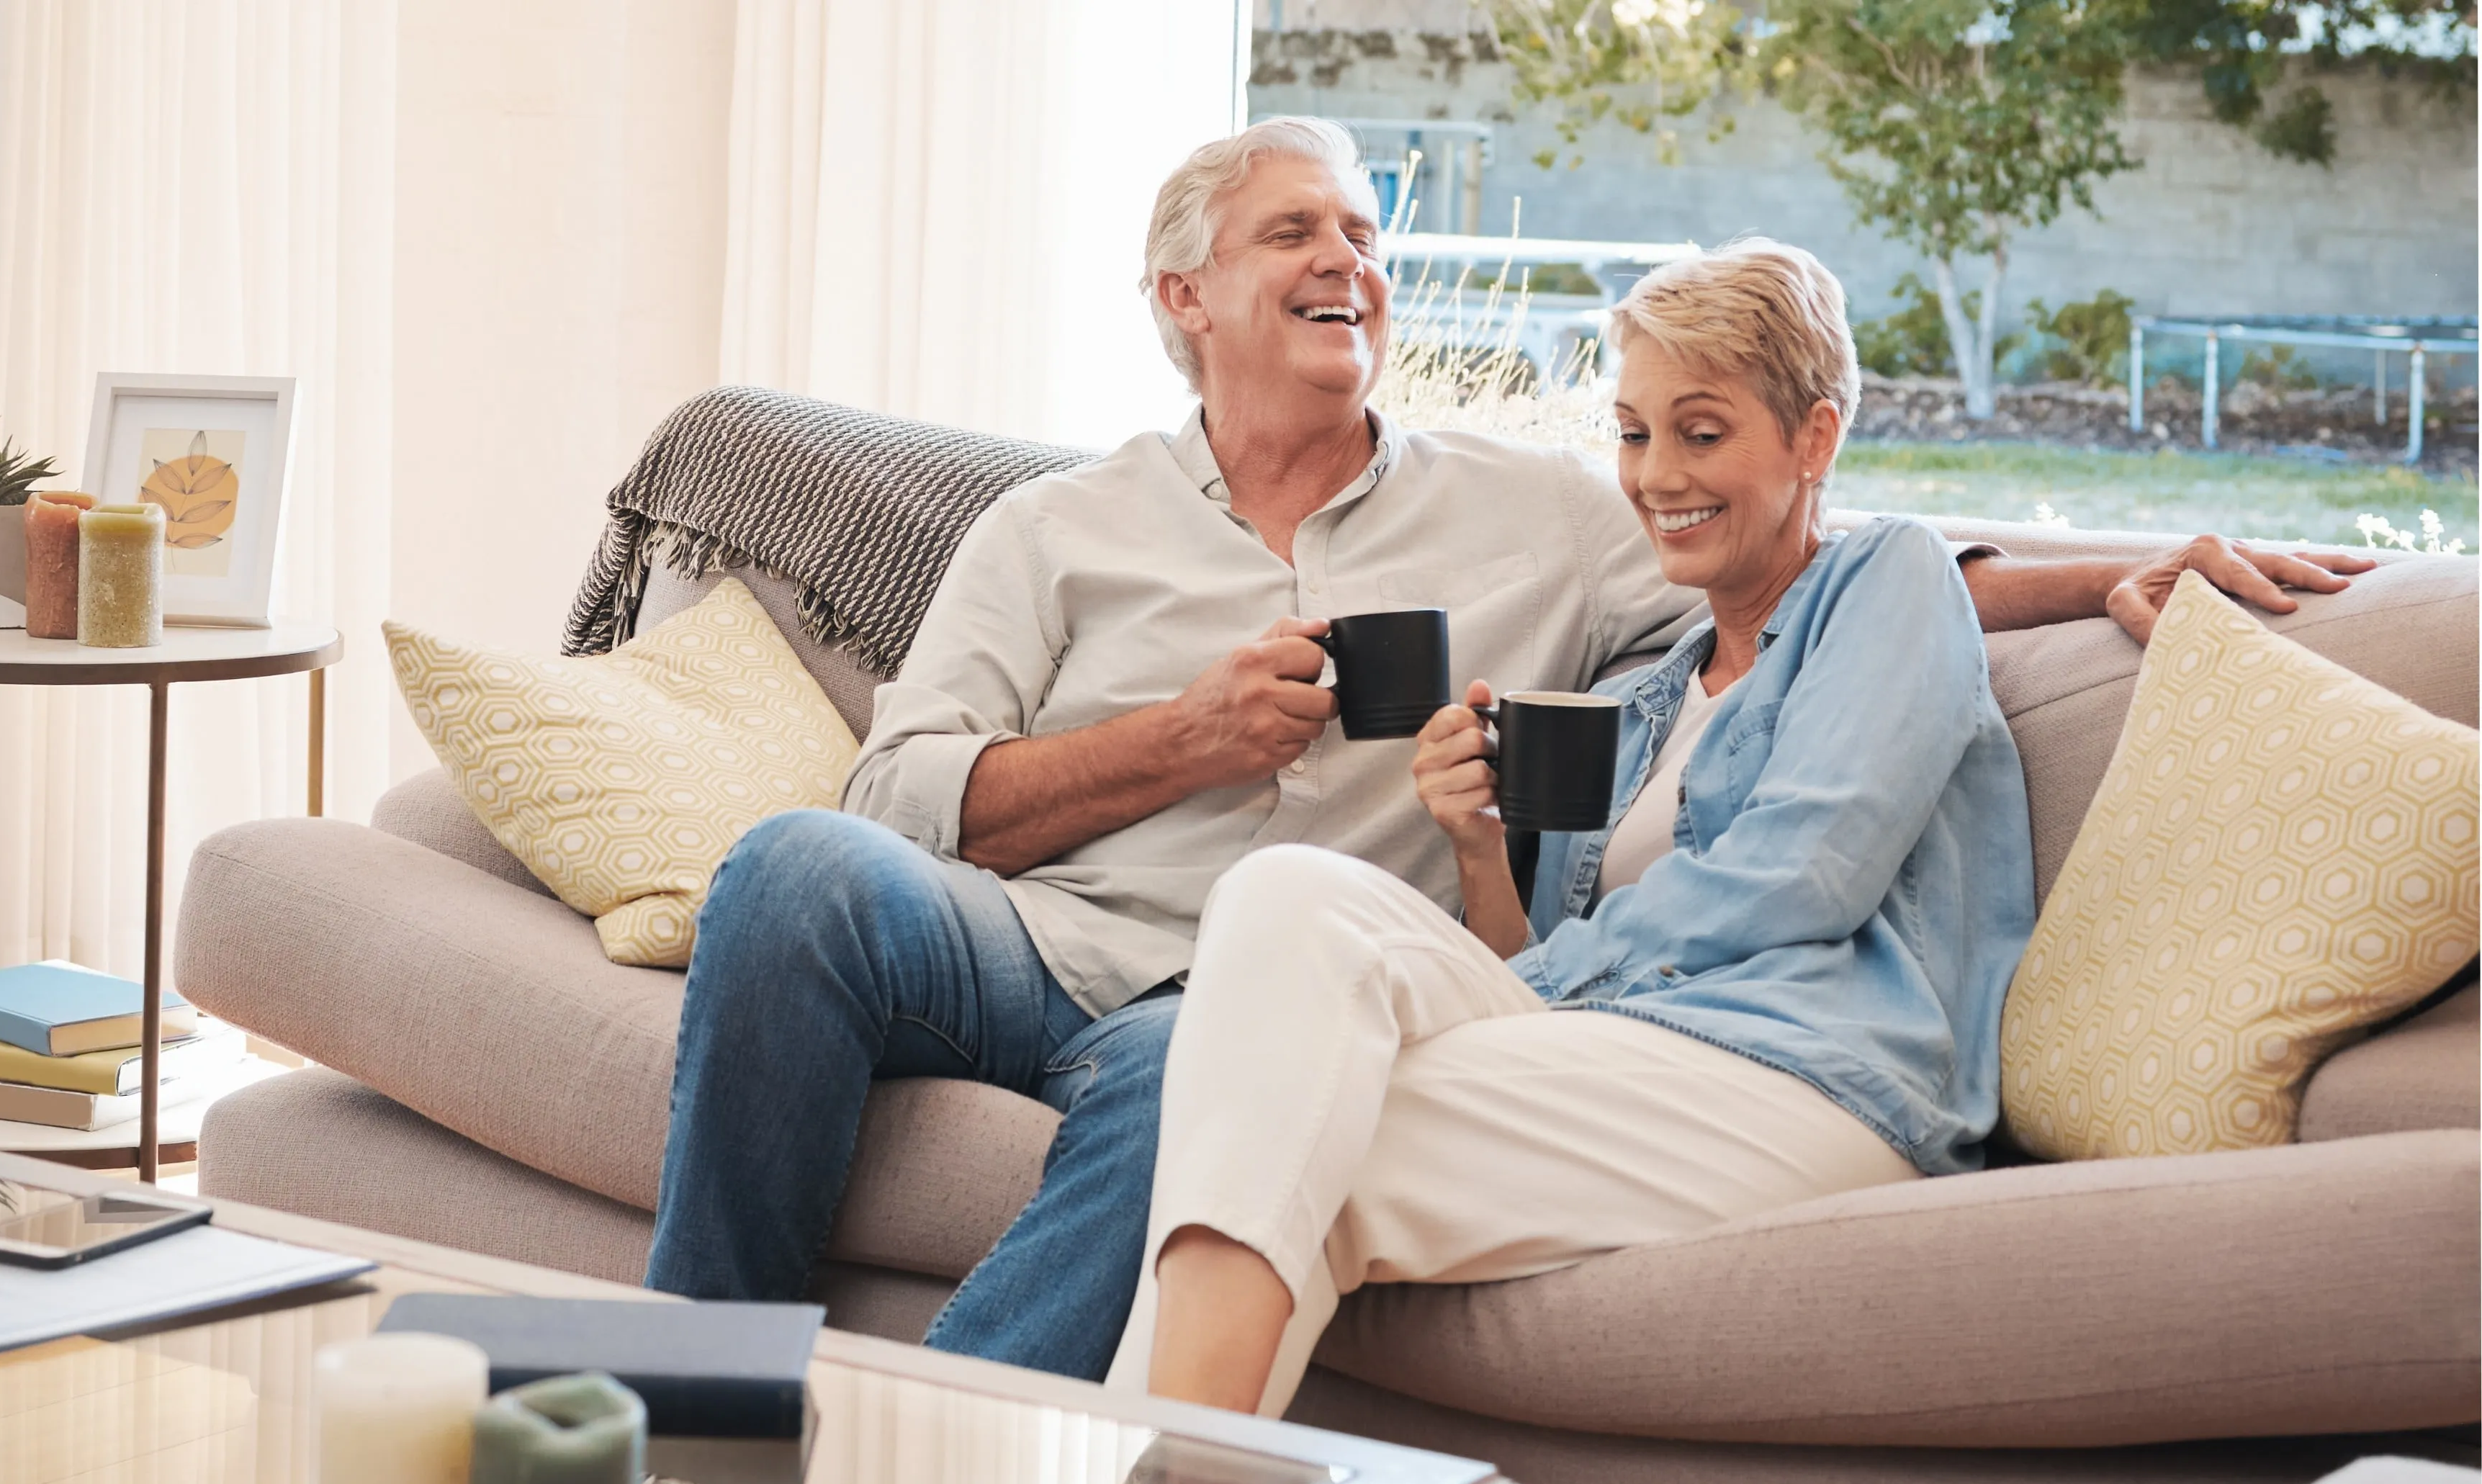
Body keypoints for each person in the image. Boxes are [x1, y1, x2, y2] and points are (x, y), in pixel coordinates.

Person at [642, 120, 2372, 1383]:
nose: (1350, 262)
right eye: (1294, 234)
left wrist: (2109, 574)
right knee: (797, 867)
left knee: (1229, 1080)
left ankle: (951, 1445)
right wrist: (1179, 741)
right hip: (1035, 944)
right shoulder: (1053, 528)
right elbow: (898, 795)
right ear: (1184, 294)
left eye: (1365, 235)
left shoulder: (1544, 518)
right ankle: (693, 1391)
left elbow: (1798, 557)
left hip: (1235, 1007)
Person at [1111, 238, 2059, 1416]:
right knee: (1277, 1023)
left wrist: (1555, 981)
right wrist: (1475, 844)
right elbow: (1537, 975)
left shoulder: (1888, 582)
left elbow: (1806, 873)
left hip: (1818, 1082)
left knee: (1272, 1119)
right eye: (1632, 431)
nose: (1657, 474)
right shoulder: (1642, 700)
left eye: (1701, 433)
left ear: (1814, 440)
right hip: (1628, 1065)